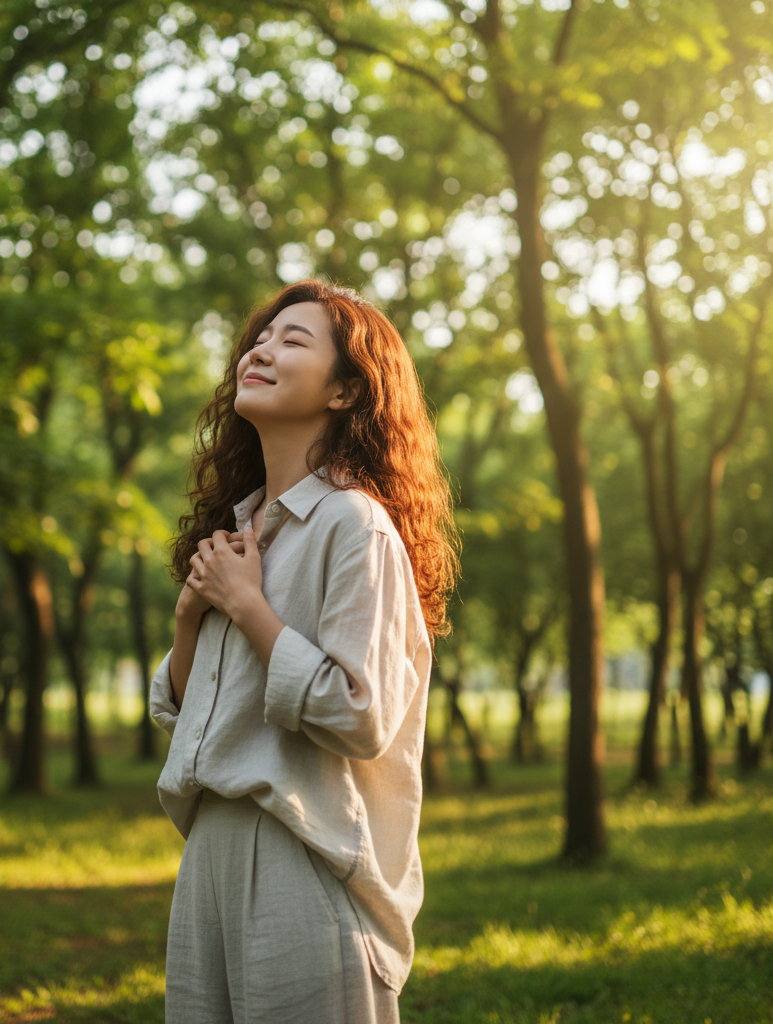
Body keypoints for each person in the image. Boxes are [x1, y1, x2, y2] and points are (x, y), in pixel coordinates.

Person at [149, 279, 458, 1023]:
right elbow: (186, 716)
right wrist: (193, 617)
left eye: (294, 340)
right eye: (262, 337)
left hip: (303, 855)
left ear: (347, 391)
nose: (261, 349)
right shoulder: (243, 530)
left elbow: (359, 714)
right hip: (209, 855)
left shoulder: (355, 526)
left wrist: (249, 608)